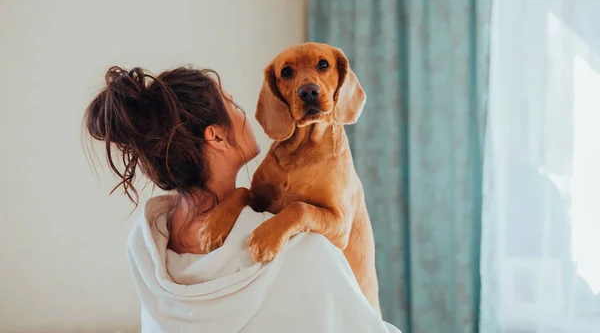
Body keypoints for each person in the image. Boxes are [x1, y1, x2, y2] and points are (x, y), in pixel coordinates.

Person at [84, 65, 401, 333]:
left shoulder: (143, 248)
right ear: (217, 136)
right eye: (233, 106)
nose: (245, 114)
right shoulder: (299, 250)